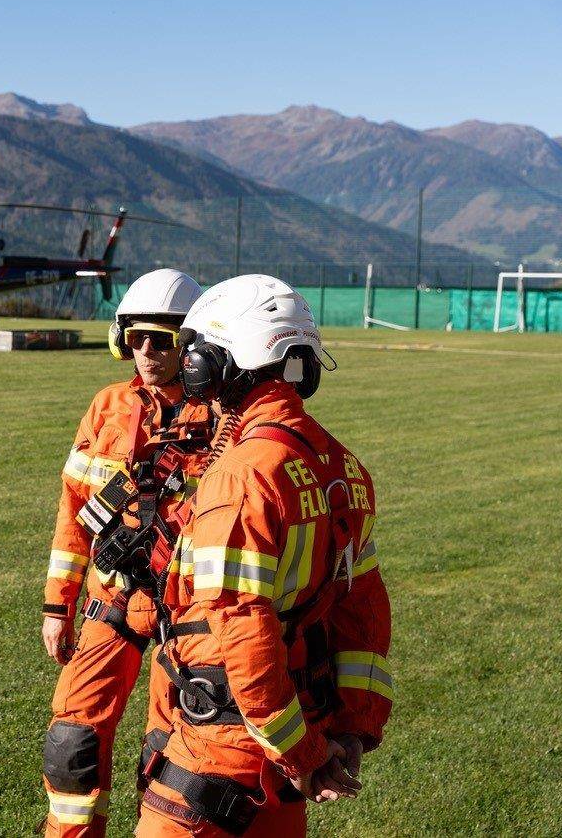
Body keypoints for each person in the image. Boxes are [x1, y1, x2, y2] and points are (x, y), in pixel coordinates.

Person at [136, 275, 392, 837]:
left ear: (214, 362)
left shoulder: (245, 473)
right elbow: (364, 610)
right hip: (293, 738)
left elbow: (241, 626)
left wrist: (299, 753)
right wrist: (349, 726)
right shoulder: (341, 466)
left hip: (226, 748)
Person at [41, 269, 213, 837]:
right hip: (111, 599)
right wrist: (56, 605)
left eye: (161, 340)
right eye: (136, 338)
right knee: (72, 740)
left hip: (183, 614)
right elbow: (75, 511)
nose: (146, 351)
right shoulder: (107, 407)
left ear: (189, 346)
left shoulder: (221, 419)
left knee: (170, 756)